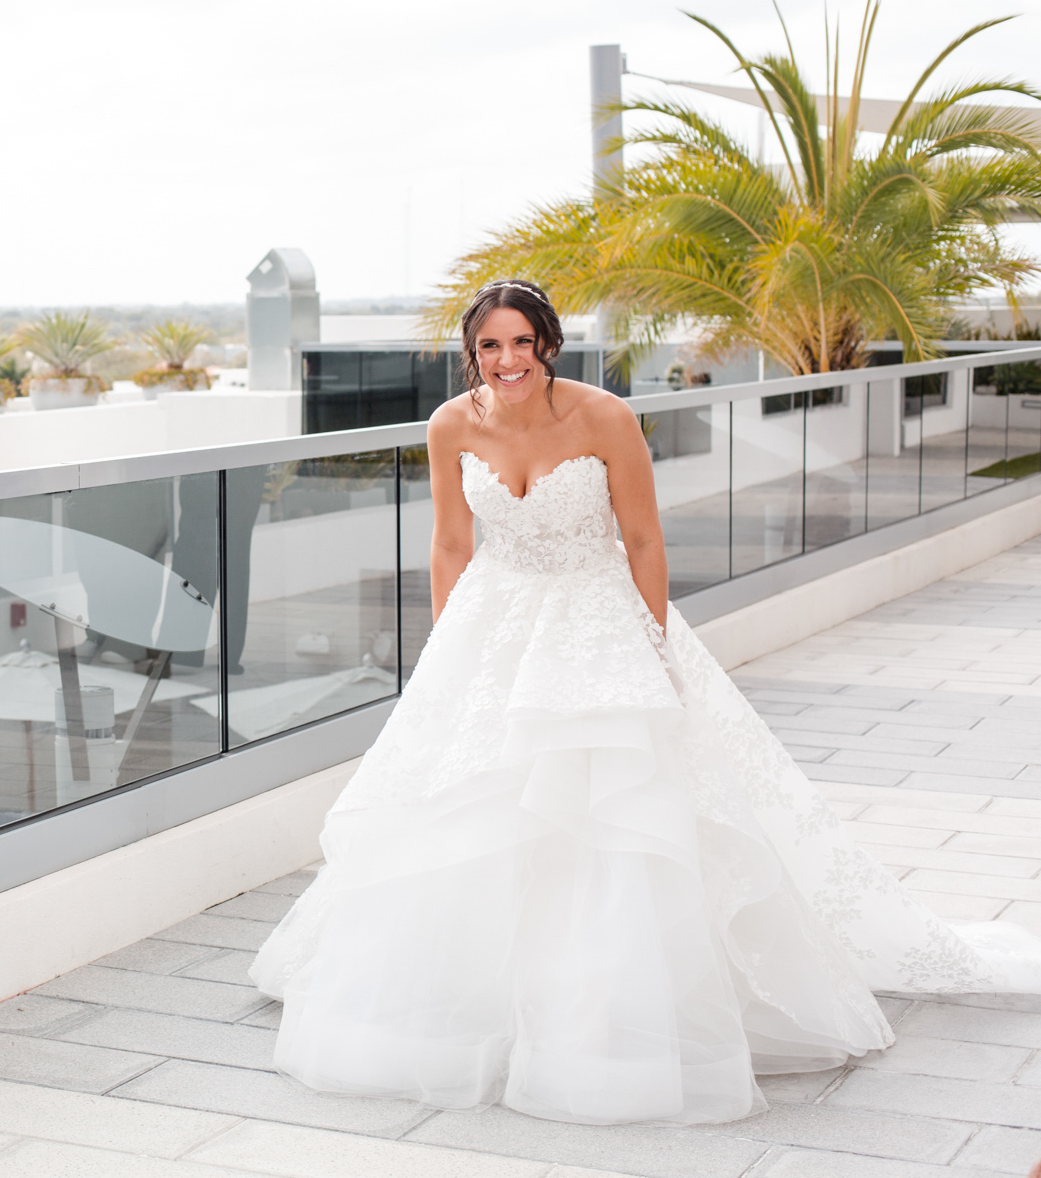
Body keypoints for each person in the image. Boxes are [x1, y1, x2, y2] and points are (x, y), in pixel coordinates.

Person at [250, 279, 1041, 1126]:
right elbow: (449, 542)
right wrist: (451, 660)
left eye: (522, 342)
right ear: (472, 354)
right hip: (494, 623)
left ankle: (602, 1012)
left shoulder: (604, 417)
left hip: (598, 619)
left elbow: (641, 538)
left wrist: (651, 647)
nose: (508, 360)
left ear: (549, 345)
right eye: (490, 346)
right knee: (474, 806)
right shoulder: (451, 424)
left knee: (614, 808)